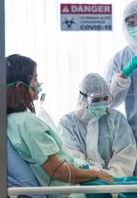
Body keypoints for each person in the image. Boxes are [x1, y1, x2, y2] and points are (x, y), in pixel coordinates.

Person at [6, 54, 112, 198]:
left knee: (136, 183)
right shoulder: (27, 123)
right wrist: (96, 174)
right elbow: (57, 171)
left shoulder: (11, 121)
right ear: (20, 87)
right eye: (35, 79)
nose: (38, 84)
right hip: (73, 189)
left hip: (76, 182)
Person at [59, 73, 137, 177]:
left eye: (105, 98)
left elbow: (125, 156)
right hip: (83, 181)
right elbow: (72, 157)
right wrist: (94, 174)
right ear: (83, 98)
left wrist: (110, 177)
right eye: (95, 100)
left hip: (115, 183)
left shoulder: (116, 119)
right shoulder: (67, 123)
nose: (101, 103)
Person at [104, 0, 137, 176]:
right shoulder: (121, 58)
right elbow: (108, 99)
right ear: (124, 27)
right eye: (132, 22)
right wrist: (125, 73)